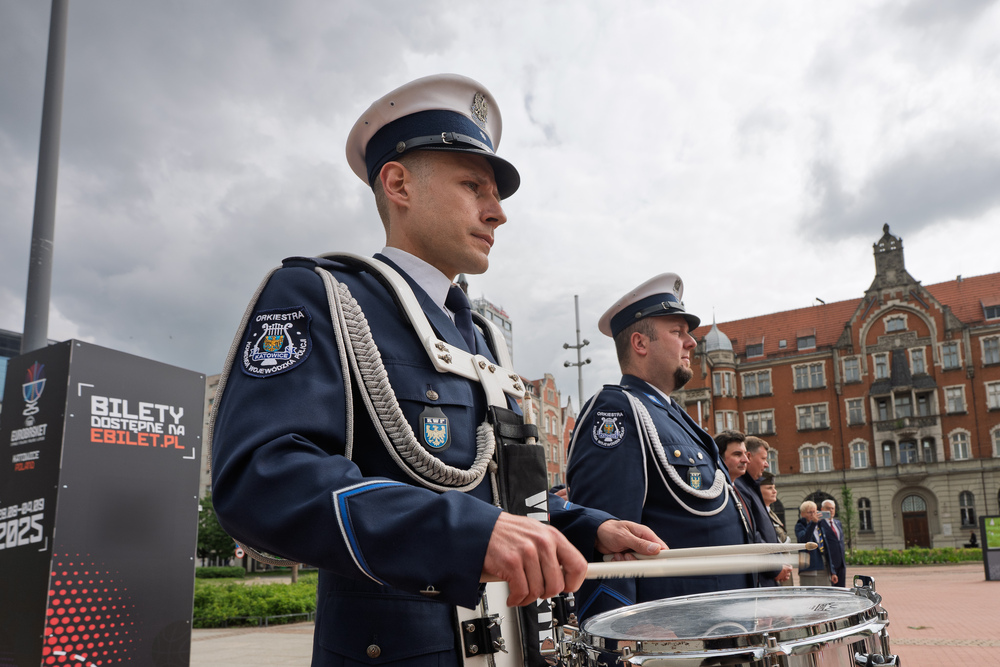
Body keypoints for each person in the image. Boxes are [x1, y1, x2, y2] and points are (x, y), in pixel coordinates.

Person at [209, 74, 665, 667]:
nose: (497, 213)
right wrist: (466, 534)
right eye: (474, 185)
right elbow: (258, 478)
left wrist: (587, 526)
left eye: (495, 195)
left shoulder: (481, 337)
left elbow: (499, 490)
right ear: (398, 183)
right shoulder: (321, 295)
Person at [566, 273, 751, 622]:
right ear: (640, 343)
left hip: (721, 627)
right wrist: (623, 643)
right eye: (678, 332)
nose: (692, 343)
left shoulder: (674, 416)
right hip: (674, 639)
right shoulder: (618, 411)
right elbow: (609, 548)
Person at [716, 431, 791, 586]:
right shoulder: (737, 488)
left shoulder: (742, 486)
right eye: (738, 454)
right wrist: (775, 568)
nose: (745, 460)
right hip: (756, 577)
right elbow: (750, 536)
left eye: (745, 454)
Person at [758, 472, 793, 585]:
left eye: (774, 488)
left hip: (783, 568)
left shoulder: (771, 513)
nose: (774, 491)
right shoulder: (758, 515)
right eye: (769, 488)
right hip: (772, 573)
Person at [795, 501, 837, 586]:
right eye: (810, 512)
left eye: (814, 512)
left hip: (824, 565)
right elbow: (804, 539)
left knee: (826, 593)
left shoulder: (820, 525)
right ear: (803, 514)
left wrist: (832, 571)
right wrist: (812, 523)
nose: (813, 514)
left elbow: (826, 548)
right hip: (810, 567)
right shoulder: (800, 525)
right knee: (811, 595)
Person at [821, 499, 848, 587]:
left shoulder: (838, 523)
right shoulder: (819, 524)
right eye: (828, 508)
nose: (831, 510)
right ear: (822, 509)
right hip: (829, 564)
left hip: (841, 564)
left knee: (842, 590)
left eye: (832, 508)